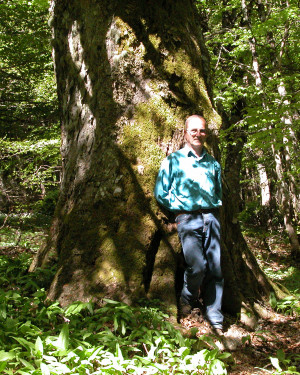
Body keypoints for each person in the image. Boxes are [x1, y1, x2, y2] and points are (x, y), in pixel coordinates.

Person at [154, 115, 224, 332]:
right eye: (193, 130)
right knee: (198, 266)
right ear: (185, 133)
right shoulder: (173, 161)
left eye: (202, 130)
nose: (198, 134)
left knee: (215, 268)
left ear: (206, 133)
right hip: (187, 218)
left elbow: (218, 191)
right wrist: (181, 206)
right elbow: (161, 193)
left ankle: (216, 318)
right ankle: (187, 299)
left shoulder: (212, 163)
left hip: (211, 217)